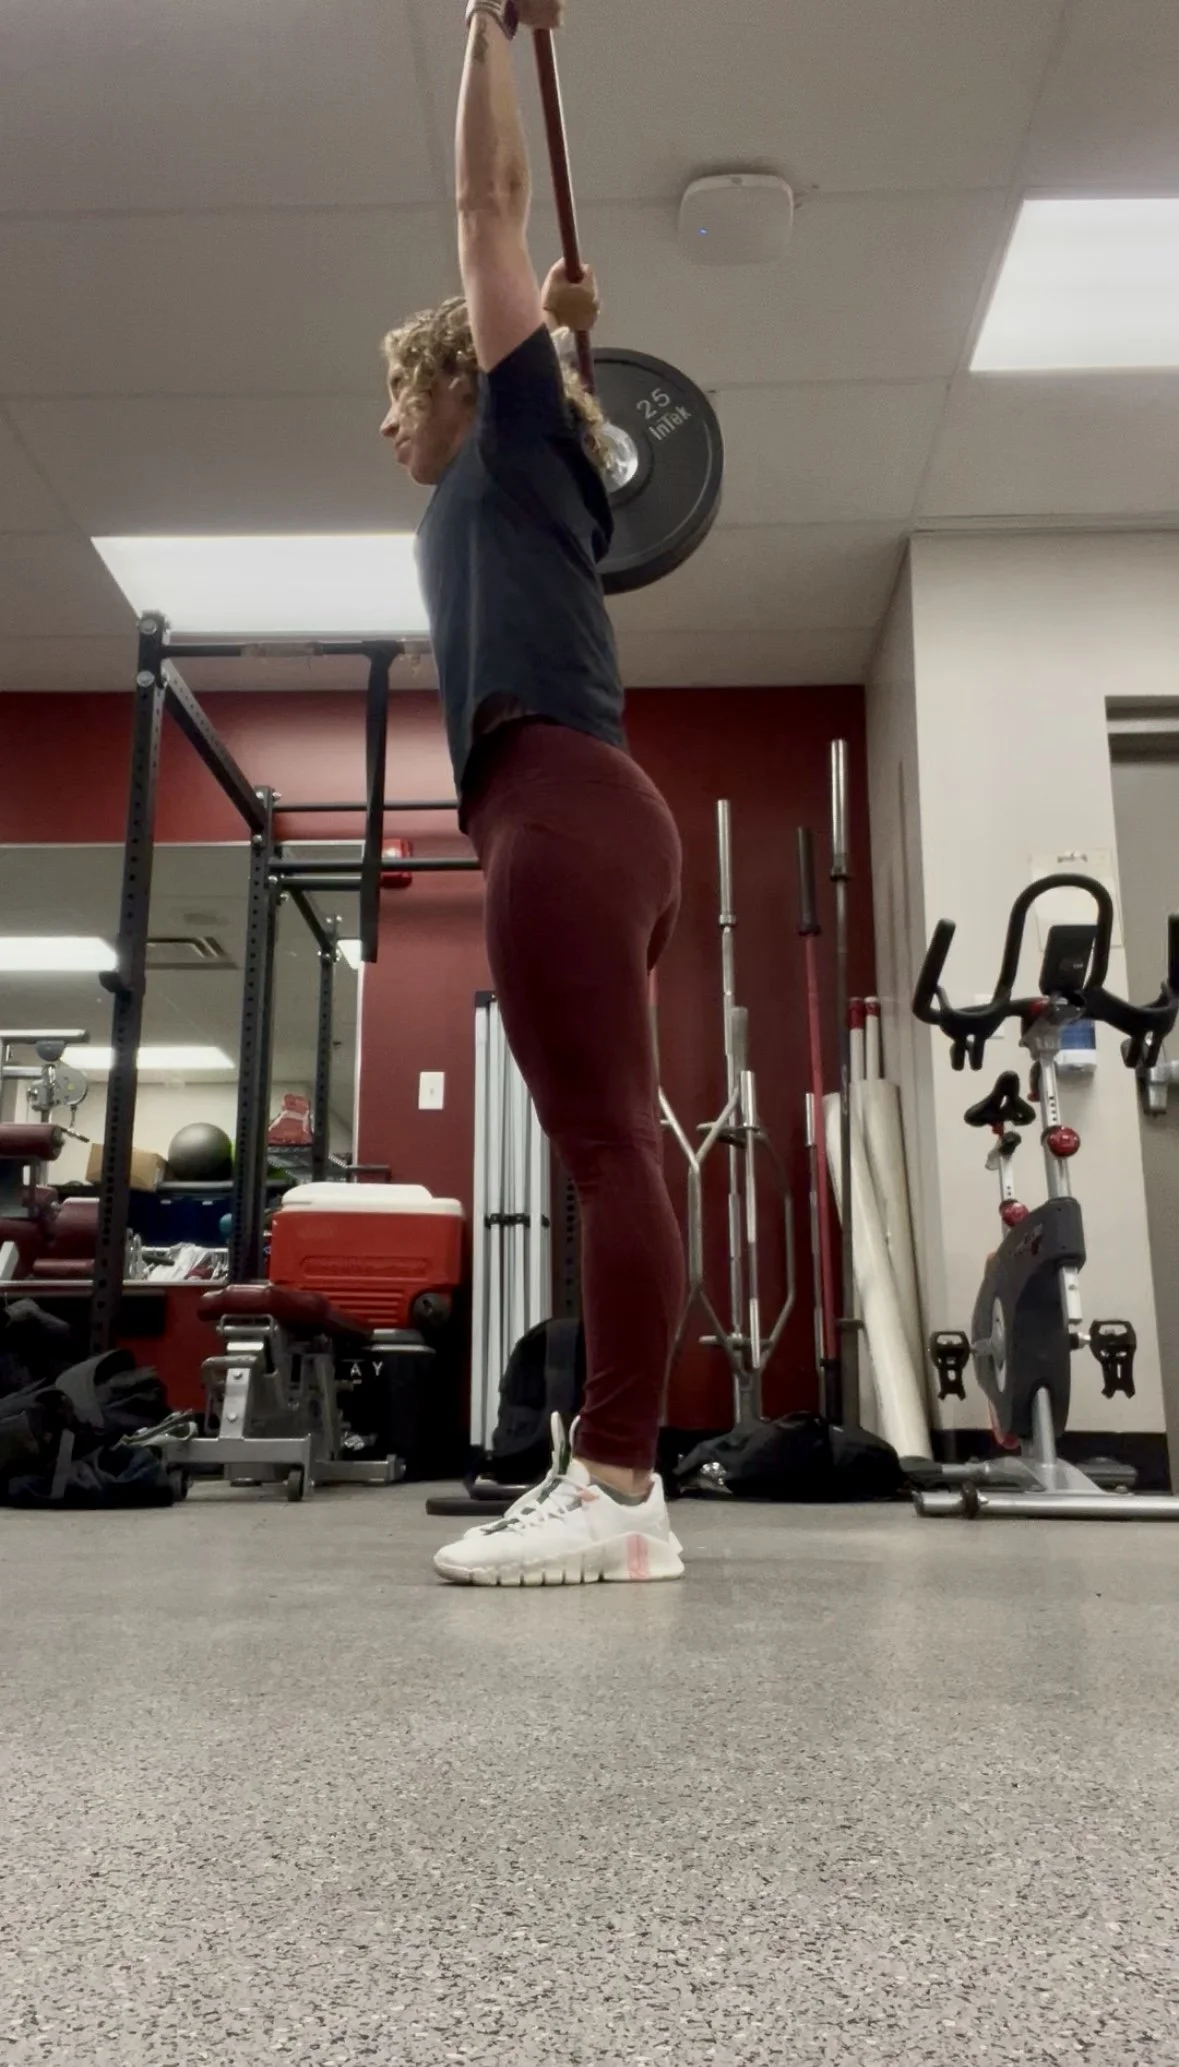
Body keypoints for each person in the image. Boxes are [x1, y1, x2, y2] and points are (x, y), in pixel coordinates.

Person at [380, 0, 686, 1587]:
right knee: (615, 1141)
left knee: (606, 1146)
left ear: (461, 379)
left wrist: (485, 26)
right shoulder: (532, 456)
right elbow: (547, 350)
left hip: (557, 803)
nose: (385, 423)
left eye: (397, 393)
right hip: (583, 806)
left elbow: (484, 206)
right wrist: (568, 341)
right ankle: (614, 1469)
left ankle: (619, 1486)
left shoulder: (504, 440)